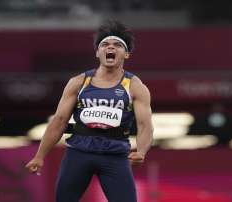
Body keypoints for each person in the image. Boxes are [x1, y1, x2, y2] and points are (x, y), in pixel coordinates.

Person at [25, 20, 153, 202]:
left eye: (117, 45)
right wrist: (39, 156)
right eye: (105, 45)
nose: (111, 48)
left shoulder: (135, 86)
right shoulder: (78, 82)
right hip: (79, 153)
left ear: (126, 54)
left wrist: (141, 151)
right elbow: (59, 121)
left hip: (115, 156)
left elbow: (145, 125)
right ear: (97, 52)